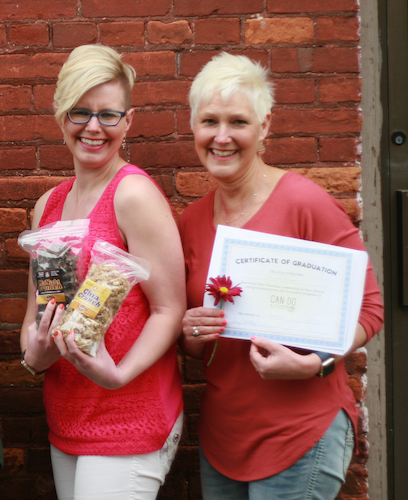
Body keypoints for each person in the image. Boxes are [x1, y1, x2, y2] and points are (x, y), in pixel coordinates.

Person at [178, 52, 383, 500]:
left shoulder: (302, 202)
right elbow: (192, 344)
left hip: (301, 434)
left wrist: (314, 364)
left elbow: (370, 309)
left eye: (239, 122)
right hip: (223, 438)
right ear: (193, 127)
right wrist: (192, 331)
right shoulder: (190, 222)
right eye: (210, 121)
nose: (222, 137)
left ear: (265, 127)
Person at [20, 44, 186, 500]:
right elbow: (34, 316)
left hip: (127, 418)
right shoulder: (47, 207)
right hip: (68, 417)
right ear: (61, 117)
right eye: (81, 112)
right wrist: (33, 355)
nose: (94, 127)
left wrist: (118, 374)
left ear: (127, 121)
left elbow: (170, 309)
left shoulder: (132, 195)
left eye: (108, 115)